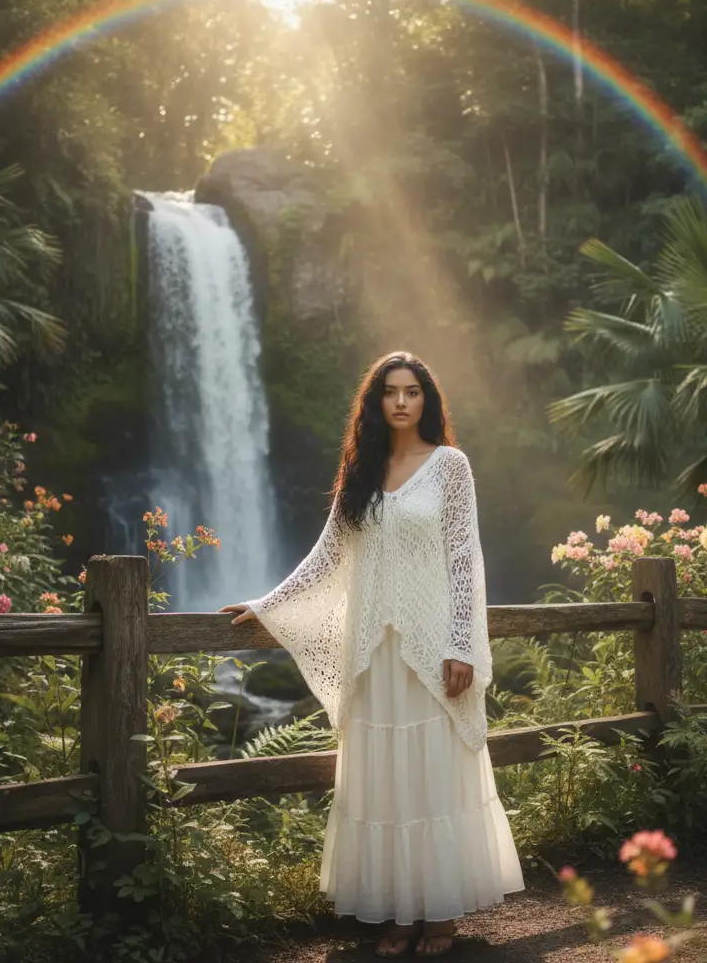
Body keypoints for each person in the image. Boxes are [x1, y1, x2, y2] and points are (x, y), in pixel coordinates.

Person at [220, 350, 523, 958]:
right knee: (385, 777)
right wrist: (268, 604)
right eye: (391, 391)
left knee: (432, 772)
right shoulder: (361, 470)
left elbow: (466, 563)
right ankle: (398, 915)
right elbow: (328, 555)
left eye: (413, 391)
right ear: (376, 401)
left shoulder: (450, 467)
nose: (402, 401)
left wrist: (462, 643)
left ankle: (439, 915)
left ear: (428, 401)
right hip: (374, 652)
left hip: (432, 648)